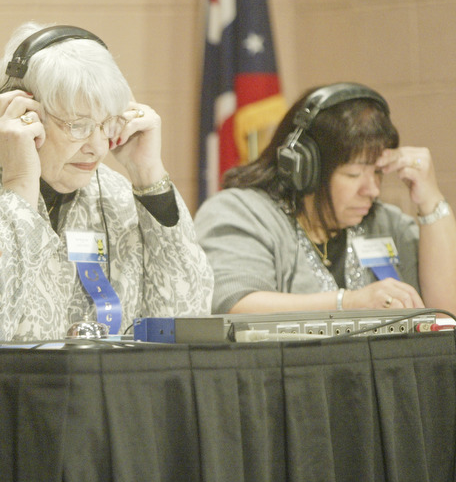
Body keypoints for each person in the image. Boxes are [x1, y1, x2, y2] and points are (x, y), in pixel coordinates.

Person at [0, 22, 214, 341]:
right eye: (78, 126)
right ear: (22, 111)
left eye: (108, 124)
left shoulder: (113, 191)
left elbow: (186, 321)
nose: (99, 147)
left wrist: (149, 177)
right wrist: (20, 185)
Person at [194, 82, 456, 315]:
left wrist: (430, 199)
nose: (372, 190)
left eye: (377, 172)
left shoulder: (385, 222)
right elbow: (236, 305)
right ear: (304, 168)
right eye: (353, 174)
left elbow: (447, 314)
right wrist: (349, 303)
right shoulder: (240, 212)